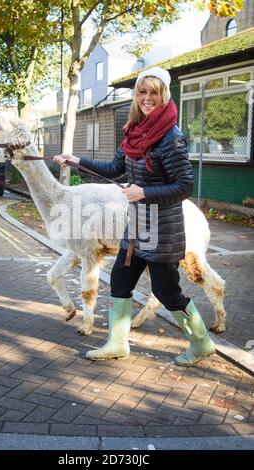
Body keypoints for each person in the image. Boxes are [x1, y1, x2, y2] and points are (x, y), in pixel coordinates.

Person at [54, 66, 215, 367]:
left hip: (163, 228)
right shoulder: (135, 131)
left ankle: (202, 343)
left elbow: (184, 186)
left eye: (154, 92)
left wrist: (143, 193)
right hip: (137, 226)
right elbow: (115, 168)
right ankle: (117, 343)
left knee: (166, 291)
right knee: (120, 279)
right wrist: (76, 160)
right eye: (142, 92)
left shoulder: (171, 138)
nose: (147, 98)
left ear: (164, 95)